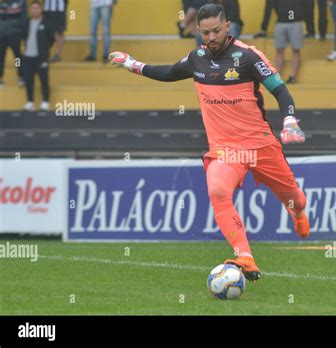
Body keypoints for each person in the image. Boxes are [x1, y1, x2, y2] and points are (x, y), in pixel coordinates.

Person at [109, 3, 310, 281]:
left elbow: (281, 91)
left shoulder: (249, 56)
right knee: (217, 191)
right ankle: (245, 257)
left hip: (261, 145)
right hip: (225, 150)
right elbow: (167, 73)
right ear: (198, 31)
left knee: (295, 199)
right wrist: (132, 64)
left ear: (227, 26)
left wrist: (290, 121)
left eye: (216, 30)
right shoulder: (197, 59)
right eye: (205, 33)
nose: (211, 37)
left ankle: (298, 212)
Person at [254, 0, 312, 83]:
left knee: (295, 50)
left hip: (296, 21)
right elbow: (269, 6)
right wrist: (264, 28)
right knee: (279, 50)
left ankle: (292, 77)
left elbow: (307, 6)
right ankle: (277, 76)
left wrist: (310, 28)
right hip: (281, 21)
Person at [22, 0, 54, 111]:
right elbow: (23, 36)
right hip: (27, 57)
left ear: (41, 10)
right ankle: (30, 101)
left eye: (37, 8)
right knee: (28, 80)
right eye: (33, 8)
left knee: (44, 79)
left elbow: (51, 39)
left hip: (41, 57)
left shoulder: (47, 23)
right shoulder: (26, 22)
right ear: (30, 10)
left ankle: (45, 101)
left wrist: (44, 50)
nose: (35, 10)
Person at [0, 0, 26, 87]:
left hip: (15, 35)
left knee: (17, 58)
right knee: (1, 57)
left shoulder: (20, 2)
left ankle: (21, 76)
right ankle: (0, 78)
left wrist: (22, 33)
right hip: (2, 35)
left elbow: (24, 18)